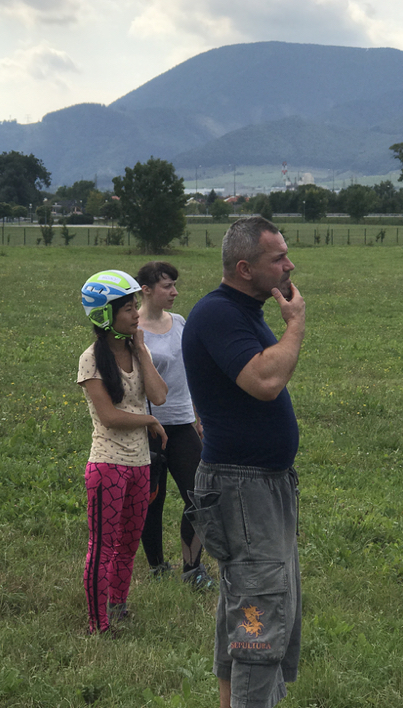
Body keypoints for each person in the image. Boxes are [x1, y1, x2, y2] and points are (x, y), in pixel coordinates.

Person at [182, 216, 305, 708]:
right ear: (243, 267)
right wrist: (294, 325)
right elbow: (264, 381)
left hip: (262, 485)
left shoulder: (245, 311)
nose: (289, 264)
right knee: (259, 611)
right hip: (243, 486)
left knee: (251, 604)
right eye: (277, 257)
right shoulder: (218, 313)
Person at [78, 270, 168, 634]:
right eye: (128, 309)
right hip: (108, 465)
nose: (135, 314)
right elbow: (110, 416)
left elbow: (160, 396)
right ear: (105, 315)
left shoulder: (135, 351)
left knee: (129, 544)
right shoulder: (91, 359)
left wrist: (143, 351)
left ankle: (119, 607)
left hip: (141, 464)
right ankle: (97, 623)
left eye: (135, 307)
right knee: (102, 547)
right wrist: (148, 421)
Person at [136, 261, 213, 589]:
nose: (174, 292)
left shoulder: (180, 323)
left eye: (174, 285)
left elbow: (190, 374)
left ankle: (192, 568)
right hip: (148, 428)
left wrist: (198, 416)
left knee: (200, 497)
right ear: (147, 290)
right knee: (151, 501)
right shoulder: (132, 330)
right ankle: (156, 566)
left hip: (182, 425)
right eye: (167, 286)